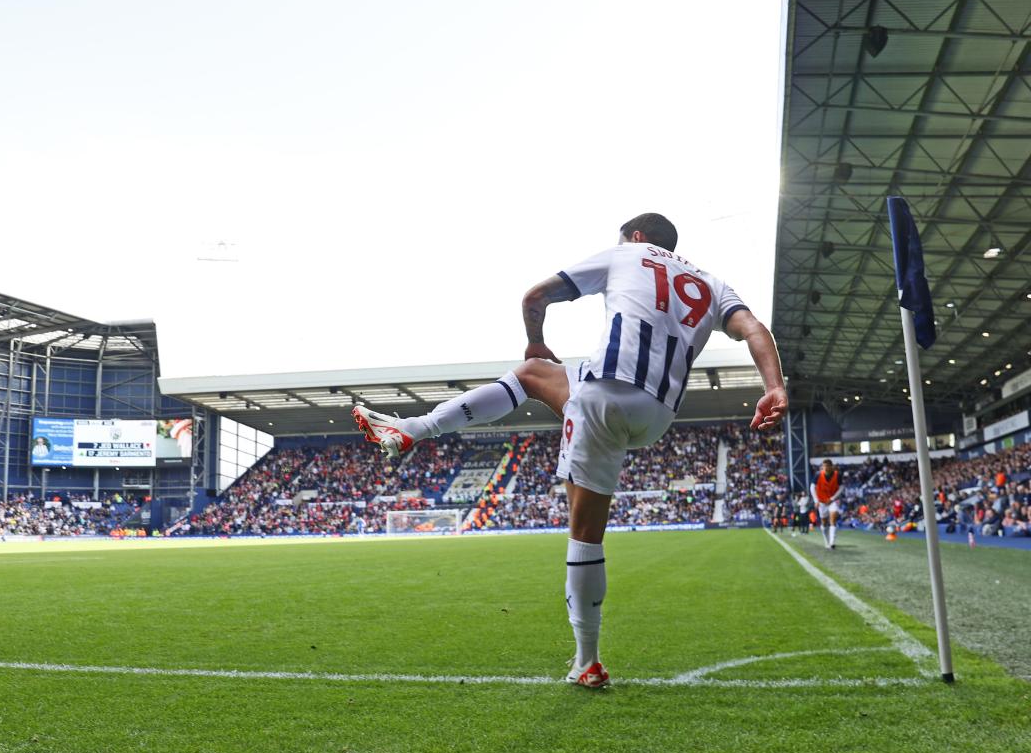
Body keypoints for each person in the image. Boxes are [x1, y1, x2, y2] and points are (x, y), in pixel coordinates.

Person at [352, 212, 786, 689]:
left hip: (604, 398)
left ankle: (588, 660)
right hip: (658, 412)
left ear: (636, 237)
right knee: (533, 377)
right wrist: (774, 387)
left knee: (583, 531)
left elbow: (534, 296)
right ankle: (413, 428)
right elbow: (754, 330)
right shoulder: (712, 283)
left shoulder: (627, 253)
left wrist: (536, 340)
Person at [811, 458, 841, 549]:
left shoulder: (837, 475)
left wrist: (832, 498)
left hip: (832, 501)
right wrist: (816, 501)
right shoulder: (818, 475)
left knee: (833, 519)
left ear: (832, 467)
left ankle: (832, 542)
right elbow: (812, 487)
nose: (826, 468)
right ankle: (826, 540)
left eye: (827, 466)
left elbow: (842, 487)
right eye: (824, 466)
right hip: (822, 501)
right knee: (824, 523)